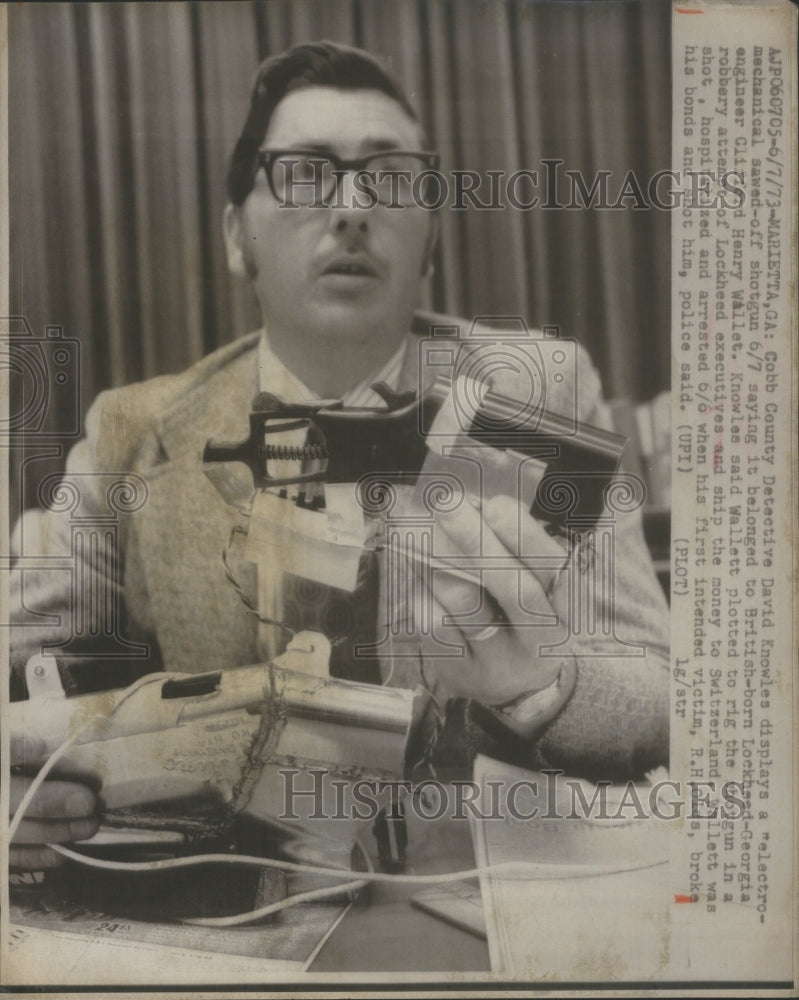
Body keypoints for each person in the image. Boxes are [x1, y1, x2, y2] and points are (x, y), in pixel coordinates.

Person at [8, 41, 669, 872]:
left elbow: (659, 690)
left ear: (430, 239)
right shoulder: (131, 433)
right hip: (229, 909)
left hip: (479, 894)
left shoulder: (539, 391)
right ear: (236, 235)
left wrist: (541, 690)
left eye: (391, 176)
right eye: (305, 172)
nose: (352, 207)